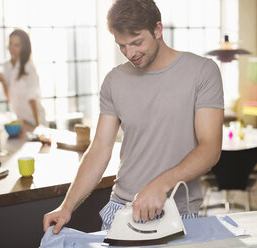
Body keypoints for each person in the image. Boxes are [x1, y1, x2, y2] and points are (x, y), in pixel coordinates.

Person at [43, 0, 224, 234]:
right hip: (122, 209)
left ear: (158, 30)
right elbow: (99, 149)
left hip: (178, 212)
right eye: (122, 46)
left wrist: (161, 184)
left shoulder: (202, 72)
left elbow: (210, 148)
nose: (130, 54)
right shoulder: (114, 81)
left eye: (137, 42)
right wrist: (66, 207)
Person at [0, 29, 46, 126]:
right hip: (21, 119)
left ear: (23, 47)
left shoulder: (29, 68)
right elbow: (9, 98)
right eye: (11, 43)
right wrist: (2, 82)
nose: (12, 48)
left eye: (17, 45)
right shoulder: (7, 66)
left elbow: (32, 98)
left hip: (35, 118)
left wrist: (38, 125)